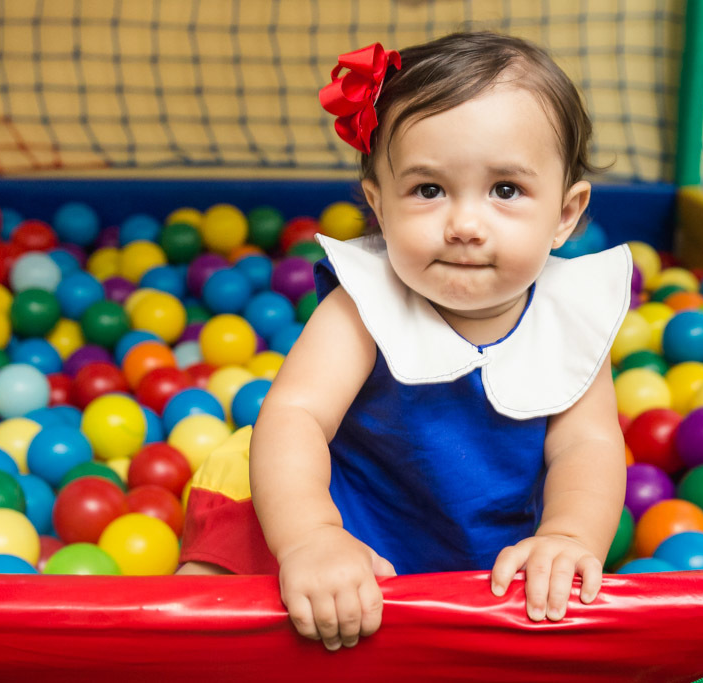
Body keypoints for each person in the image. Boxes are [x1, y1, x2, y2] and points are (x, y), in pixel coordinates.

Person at [177, 30, 630, 653]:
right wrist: (311, 537)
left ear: (565, 213)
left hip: (477, 549)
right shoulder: (366, 306)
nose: (465, 225)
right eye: (428, 190)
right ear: (379, 206)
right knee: (225, 583)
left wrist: (569, 536)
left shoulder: (570, 320)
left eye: (505, 190)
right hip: (346, 522)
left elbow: (588, 443)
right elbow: (296, 415)